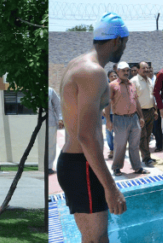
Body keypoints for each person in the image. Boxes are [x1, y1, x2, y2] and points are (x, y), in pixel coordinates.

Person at [56, 13, 130, 243]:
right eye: (125, 42)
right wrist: (111, 188)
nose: (124, 47)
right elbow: (86, 135)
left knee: (90, 239)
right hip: (82, 166)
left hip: (75, 163)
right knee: (98, 240)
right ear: (117, 41)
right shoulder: (93, 72)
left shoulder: (76, 64)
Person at [106, 62, 146, 176]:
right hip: (120, 119)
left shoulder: (132, 84)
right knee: (120, 145)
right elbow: (107, 103)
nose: (126, 72)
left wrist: (141, 116)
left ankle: (137, 167)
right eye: (123, 70)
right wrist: (108, 120)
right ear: (117, 71)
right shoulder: (112, 85)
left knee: (134, 145)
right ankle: (117, 167)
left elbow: (136, 101)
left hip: (134, 118)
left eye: (127, 70)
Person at [130, 62, 157, 167]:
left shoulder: (149, 80)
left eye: (147, 68)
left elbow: (152, 96)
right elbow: (133, 100)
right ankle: (146, 158)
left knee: (148, 136)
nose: (146, 70)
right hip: (140, 113)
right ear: (138, 69)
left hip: (150, 111)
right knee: (142, 136)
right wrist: (139, 115)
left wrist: (154, 110)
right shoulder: (133, 81)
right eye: (143, 68)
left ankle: (147, 156)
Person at [48, 86, 63, 174]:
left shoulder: (50, 90)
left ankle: (49, 166)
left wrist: (60, 118)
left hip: (50, 122)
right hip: (38, 124)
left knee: (51, 145)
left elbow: (57, 105)